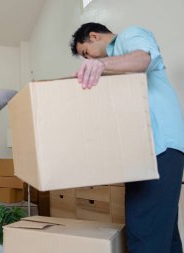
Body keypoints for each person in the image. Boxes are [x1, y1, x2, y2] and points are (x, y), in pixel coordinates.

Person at [70, 23, 184, 253]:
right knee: (164, 233)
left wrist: (100, 63)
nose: (87, 59)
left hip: (158, 146)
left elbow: (143, 58)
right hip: (147, 151)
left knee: (144, 234)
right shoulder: (115, 68)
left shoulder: (128, 38)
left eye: (86, 53)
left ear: (94, 36)